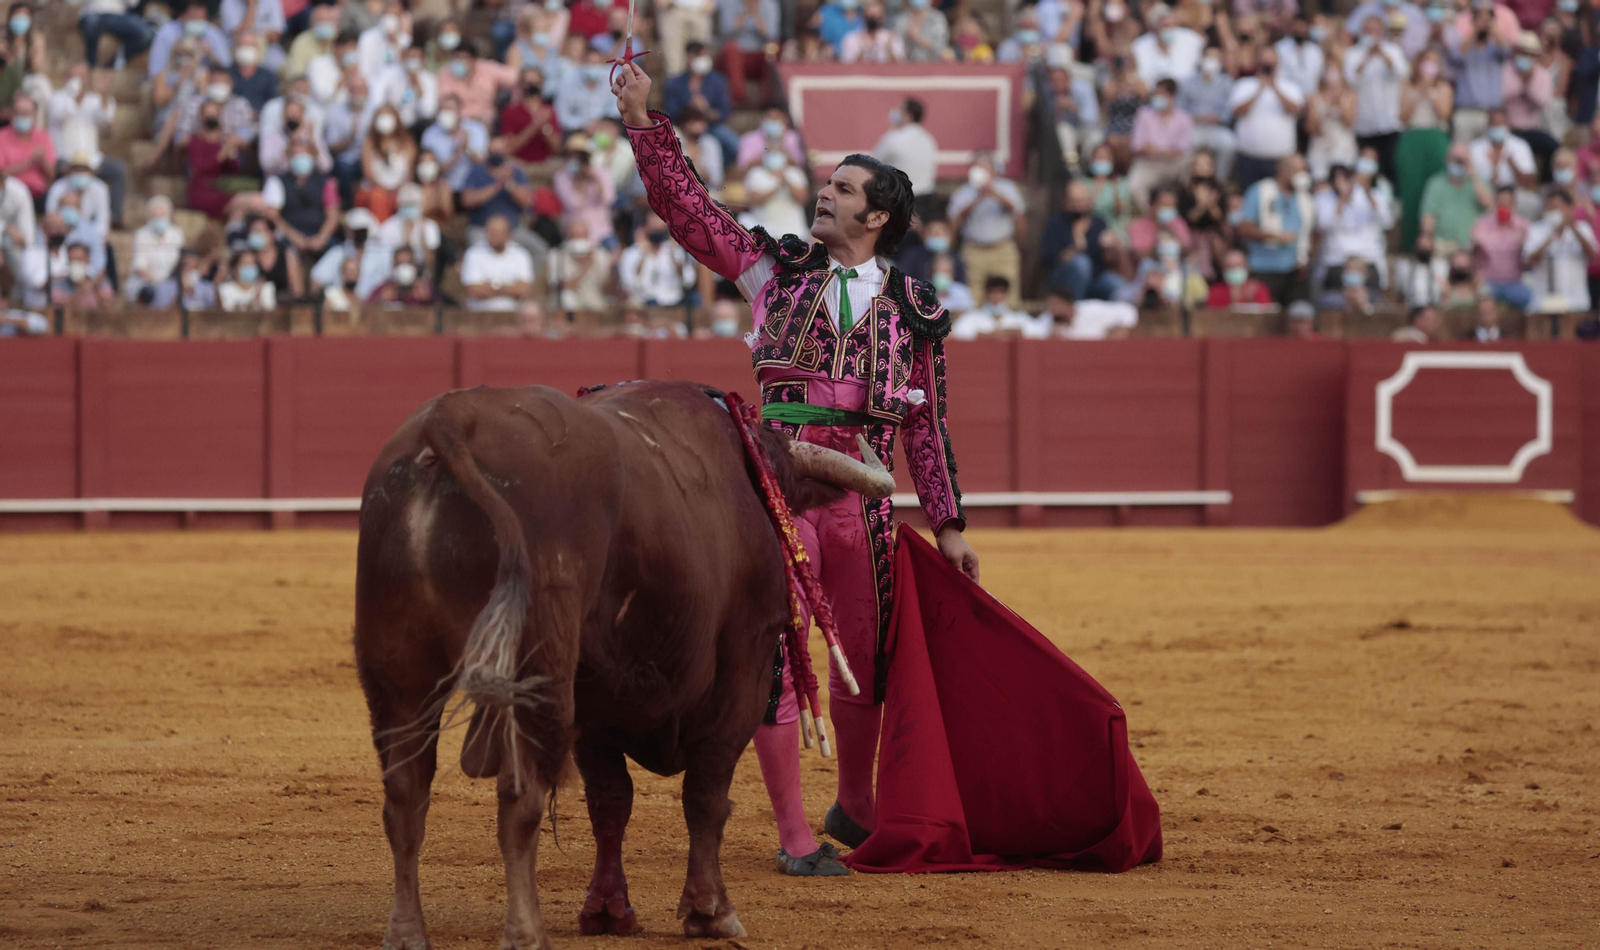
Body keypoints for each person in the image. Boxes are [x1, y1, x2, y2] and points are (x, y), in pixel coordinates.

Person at [614, 60, 976, 880]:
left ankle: (854, 802)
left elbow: (927, 429)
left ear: (878, 214)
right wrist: (644, 123)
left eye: (844, 191)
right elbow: (690, 212)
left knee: (865, 656)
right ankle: (794, 836)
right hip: (777, 493)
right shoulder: (774, 271)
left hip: (868, 504)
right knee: (780, 657)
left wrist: (949, 525)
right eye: (826, 185)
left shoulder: (913, 310)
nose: (826, 195)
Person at [47, 63, 127, 231]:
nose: (78, 81)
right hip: (66, 160)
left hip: (92, 160)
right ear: (65, 77)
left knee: (118, 171)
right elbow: (62, 114)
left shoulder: (94, 99)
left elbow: (106, 118)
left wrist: (104, 93)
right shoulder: (56, 98)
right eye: (74, 76)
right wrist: (78, 96)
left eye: (82, 76)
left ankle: (116, 218)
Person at [946, 153, 1026, 306]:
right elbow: (956, 219)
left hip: (1002, 249)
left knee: (1008, 297)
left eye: (983, 167)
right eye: (976, 167)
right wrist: (978, 196)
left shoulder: (1007, 187)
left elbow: (1015, 210)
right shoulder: (963, 192)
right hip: (973, 250)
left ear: (992, 170)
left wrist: (993, 192)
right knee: (973, 299)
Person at [1345, 10, 1410, 185]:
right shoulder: (1352, 54)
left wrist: (1381, 54)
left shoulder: (1393, 50)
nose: (1370, 34)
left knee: (1390, 169)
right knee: (1366, 170)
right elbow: (1351, 80)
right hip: (1364, 124)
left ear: (1381, 32)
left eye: (1374, 30)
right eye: (1367, 30)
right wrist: (1367, 56)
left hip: (1390, 123)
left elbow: (1400, 73)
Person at [1238, 155, 1314, 305]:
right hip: (1264, 270)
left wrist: (1307, 257)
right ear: (1284, 171)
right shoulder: (1260, 191)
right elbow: (1244, 228)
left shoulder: (1305, 199)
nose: (1304, 175)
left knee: (1296, 317)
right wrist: (1275, 237)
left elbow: (1313, 233)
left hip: (1295, 271)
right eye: (1300, 170)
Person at [1228, 47, 1304, 189]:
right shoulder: (1244, 85)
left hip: (1280, 160)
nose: (1268, 67)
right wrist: (1259, 89)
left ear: (1278, 64)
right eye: (1264, 63)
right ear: (1257, 63)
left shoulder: (1290, 87)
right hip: (1248, 157)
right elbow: (1237, 112)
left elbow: (1295, 111)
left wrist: (1274, 87)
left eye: (1271, 64)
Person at [1523, 188, 1597, 315]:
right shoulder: (1536, 229)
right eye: (1549, 207)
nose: (1552, 211)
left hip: (1576, 303)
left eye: (1556, 207)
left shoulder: (1583, 228)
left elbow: (1593, 255)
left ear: (1569, 208)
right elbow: (1529, 261)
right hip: (1543, 304)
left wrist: (1572, 228)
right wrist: (1552, 235)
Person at [1041, 179, 1119, 300]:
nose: (1077, 206)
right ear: (1066, 202)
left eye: (1081, 201)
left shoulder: (1099, 223)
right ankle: (1075, 311)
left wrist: (1112, 247)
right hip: (1064, 281)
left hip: (1095, 278)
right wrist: (1077, 241)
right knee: (1082, 263)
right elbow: (1051, 258)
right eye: (1073, 201)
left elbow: (1107, 261)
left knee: (1116, 284)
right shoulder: (1056, 223)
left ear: (1089, 202)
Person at [662, 41, 738, 161]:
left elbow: (724, 111)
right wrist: (690, 108)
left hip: (710, 125)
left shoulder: (718, 81)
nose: (703, 60)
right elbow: (671, 111)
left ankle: (715, 168)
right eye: (699, 56)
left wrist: (707, 111)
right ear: (689, 57)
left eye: (705, 56)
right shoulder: (674, 83)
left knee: (735, 145)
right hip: (683, 127)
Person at [265, 141, 341, 259]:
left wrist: (321, 238)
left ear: (312, 156)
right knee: (287, 253)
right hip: (289, 235)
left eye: (304, 154)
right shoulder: (277, 181)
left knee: (337, 252)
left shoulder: (326, 182)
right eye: (295, 154)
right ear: (289, 157)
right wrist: (295, 237)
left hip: (319, 233)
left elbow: (333, 215)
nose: (300, 158)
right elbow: (273, 216)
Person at [1419, 143, 1492, 255]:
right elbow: (1428, 216)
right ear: (1447, 159)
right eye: (1455, 159)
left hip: (1472, 245)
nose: (1458, 163)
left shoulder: (1479, 182)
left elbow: (1487, 203)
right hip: (1443, 245)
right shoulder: (1435, 183)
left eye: (1462, 160)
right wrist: (1427, 236)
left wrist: (1472, 175)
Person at [872, 99, 938, 221]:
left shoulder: (892, 138)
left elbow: (874, 165)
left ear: (909, 114)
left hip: (900, 199)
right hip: (926, 197)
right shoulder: (928, 139)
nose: (895, 112)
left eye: (900, 109)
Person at [1471, 185, 1535, 311]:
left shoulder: (1523, 226)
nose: (1503, 207)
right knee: (1480, 299)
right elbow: (1472, 256)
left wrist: (1523, 246)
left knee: (1528, 299)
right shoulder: (1482, 225)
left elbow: (1530, 261)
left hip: (1514, 283)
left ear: (1514, 204)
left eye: (1507, 203)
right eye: (1500, 203)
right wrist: (1476, 247)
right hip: (1489, 282)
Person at [1179, 47, 1237, 182]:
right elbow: (1180, 109)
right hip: (1194, 128)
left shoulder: (1227, 82)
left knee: (1230, 145)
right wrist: (1195, 118)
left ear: (1221, 61)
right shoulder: (1187, 82)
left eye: (1215, 58)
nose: (1211, 61)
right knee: (1182, 146)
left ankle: (1218, 182)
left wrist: (1218, 118)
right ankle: (1186, 182)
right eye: (1208, 57)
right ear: (1201, 59)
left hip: (1216, 128)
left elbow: (1229, 110)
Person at [618, 214, 697, 307]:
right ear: (643, 229)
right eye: (653, 229)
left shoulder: (675, 251)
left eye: (660, 229)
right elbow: (628, 283)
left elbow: (688, 281)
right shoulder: (631, 253)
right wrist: (643, 256)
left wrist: (673, 255)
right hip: (645, 302)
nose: (657, 232)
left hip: (674, 301)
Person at [461, 214, 536, 311]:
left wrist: (492, 286)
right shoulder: (473, 253)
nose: (493, 236)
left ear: (508, 234)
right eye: (490, 232)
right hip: (481, 313)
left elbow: (523, 290)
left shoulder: (520, 254)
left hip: (514, 313)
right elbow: (474, 291)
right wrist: (509, 288)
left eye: (497, 233)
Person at [553, 133, 617, 246]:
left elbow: (609, 199)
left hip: (602, 231)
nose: (578, 158)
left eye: (581, 154)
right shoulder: (561, 176)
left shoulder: (601, 173)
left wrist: (594, 179)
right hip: (575, 231)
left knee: (615, 252)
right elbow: (573, 204)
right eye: (574, 154)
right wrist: (579, 181)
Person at [126, 196, 185, 305]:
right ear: (149, 217)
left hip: (170, 282)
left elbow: (180, 262)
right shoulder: (141, 234)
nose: (159, 220)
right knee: (153, 293)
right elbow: (140, 267)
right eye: (156, 216)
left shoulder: (177, 234)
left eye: (162, 216)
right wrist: (157, 284)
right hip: (147, 282)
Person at [742, 146, 810, 240]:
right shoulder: (755, 173)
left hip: (794, 231)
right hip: (765, 232)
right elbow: (754, 201)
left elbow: (803, 199)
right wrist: (777, 186)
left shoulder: (796, 173)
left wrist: (786, 181)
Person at [546, 220, 613, 315]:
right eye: (574, 236)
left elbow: (606, 287)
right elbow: (563, 287)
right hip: (565, 308)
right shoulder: (556, 256)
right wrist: (585, 266)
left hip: (593, 304)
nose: (578, 240)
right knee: (567, 297)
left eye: (581, 236)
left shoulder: (600, 255)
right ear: (567, 237)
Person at [501, 69, 563, 166]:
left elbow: (556, 148)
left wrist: (544, 126)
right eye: (528, 83)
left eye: (536, 83)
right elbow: (509, 148)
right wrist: (533, 127)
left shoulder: (549, 111)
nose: (532, 86)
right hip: (520, 165)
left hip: (545, 166)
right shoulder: (511, 112)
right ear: (521, 85)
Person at [0, 93, 53, 204]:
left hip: (37, 194)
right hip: (9, 194)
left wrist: (42, 160)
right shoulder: (2, 137)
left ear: (34, 115)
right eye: (19, 113)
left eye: (26, 113)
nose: (22, 116)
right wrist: (29, 162)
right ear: (12, 114)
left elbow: (52, 174)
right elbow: (2, 173)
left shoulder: (43, 137)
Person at [950, 275, 1041, 339]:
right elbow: (959, 333)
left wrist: (1011, 332)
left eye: (1001, 293)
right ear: (986, 295)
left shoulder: (1018, 318)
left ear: (1006, 296)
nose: (996, 297)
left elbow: (1039, 331)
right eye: (993, 293)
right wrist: (989, 335)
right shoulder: (972, 317)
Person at [79, 0, 155, 69]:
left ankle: (118, 60)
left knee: (145, 34)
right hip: (94, 13)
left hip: (119, 16)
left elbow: (133, 3)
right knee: (91, 23)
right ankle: (92, 64)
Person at [368, 245, 436, 307]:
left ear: (415, 265)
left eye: (408, 263)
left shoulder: (425, 287)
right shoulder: (385, 289)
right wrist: (380, 300)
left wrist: (428, 299)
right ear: (394, 266)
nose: (404, 268)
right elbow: (366, 308)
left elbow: (443, 306)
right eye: (400, 264)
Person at [1206, 248, 1276, 307]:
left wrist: (1250, 301)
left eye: (1238, 265)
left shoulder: (1258, 289)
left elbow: (1266, 316)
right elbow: (1211, 316)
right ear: (1224, 269)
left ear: (1247, 268)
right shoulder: (1216, 291)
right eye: (1230, 266)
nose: (1234, 269)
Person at [839, 2, 905, 62]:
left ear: (883, 18)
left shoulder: (892, 38)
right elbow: (846, 67)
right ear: (864, 17)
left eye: (877, 17)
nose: (874, 20)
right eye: (871, 17)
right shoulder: (851, 38)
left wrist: (889, 50)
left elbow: (901, 66)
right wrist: (862, 51)